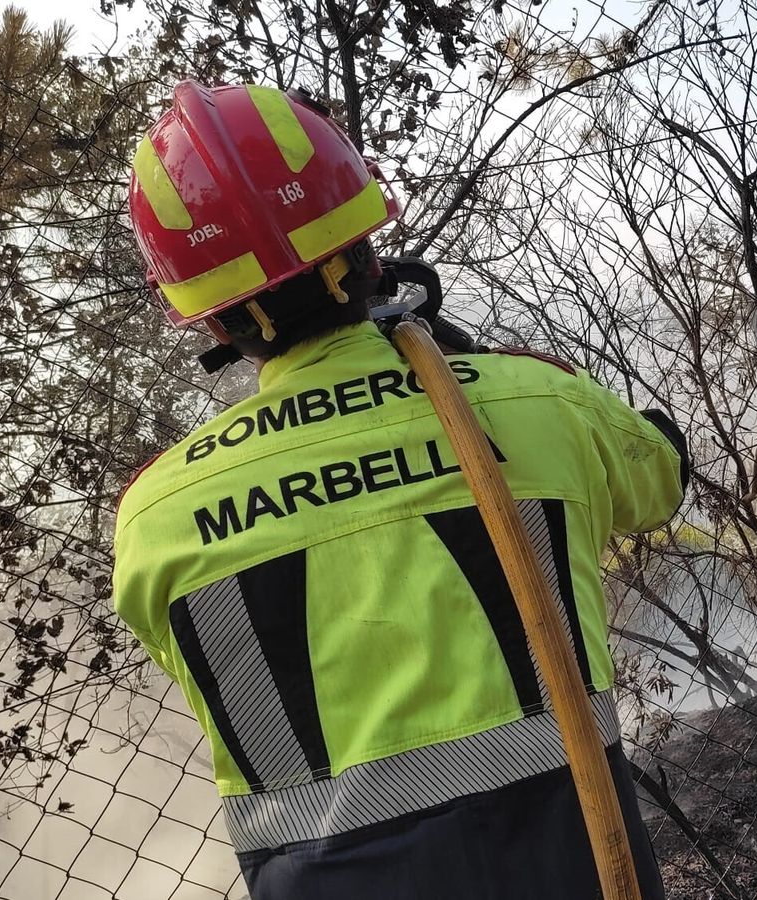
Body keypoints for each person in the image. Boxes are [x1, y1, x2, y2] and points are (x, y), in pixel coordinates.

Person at [112, 80, 685, 899]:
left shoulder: (156, 517)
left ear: (208, 320)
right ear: (372, 252)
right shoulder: (537, 402)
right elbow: (658, 479)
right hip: (583, 865)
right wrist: (485, 378)